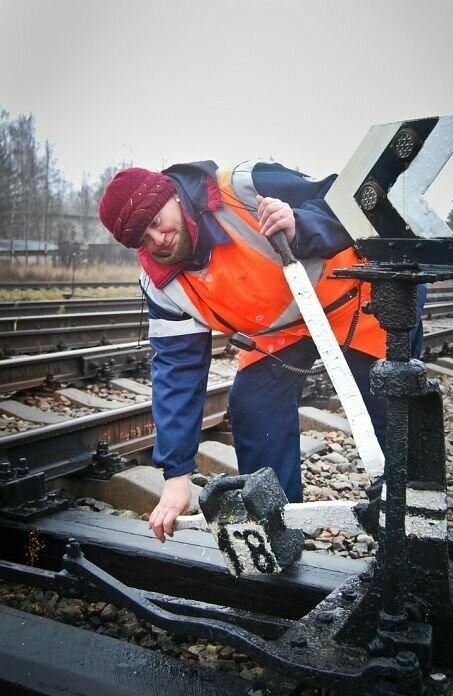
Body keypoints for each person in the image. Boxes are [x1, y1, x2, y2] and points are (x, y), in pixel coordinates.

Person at [99, 159, 425, 542]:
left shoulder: (243, 187)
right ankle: (280, 533)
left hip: (359, 302)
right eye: (143, 240)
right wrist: (176, 474)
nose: (158, 240)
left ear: (172, 195)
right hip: (281, 334)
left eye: (157, 223)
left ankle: (415, 528)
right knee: (254, 407)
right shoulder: (162, 286)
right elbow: (177, 373)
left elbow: (349, 199)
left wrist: (301, 223)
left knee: (392, 405)